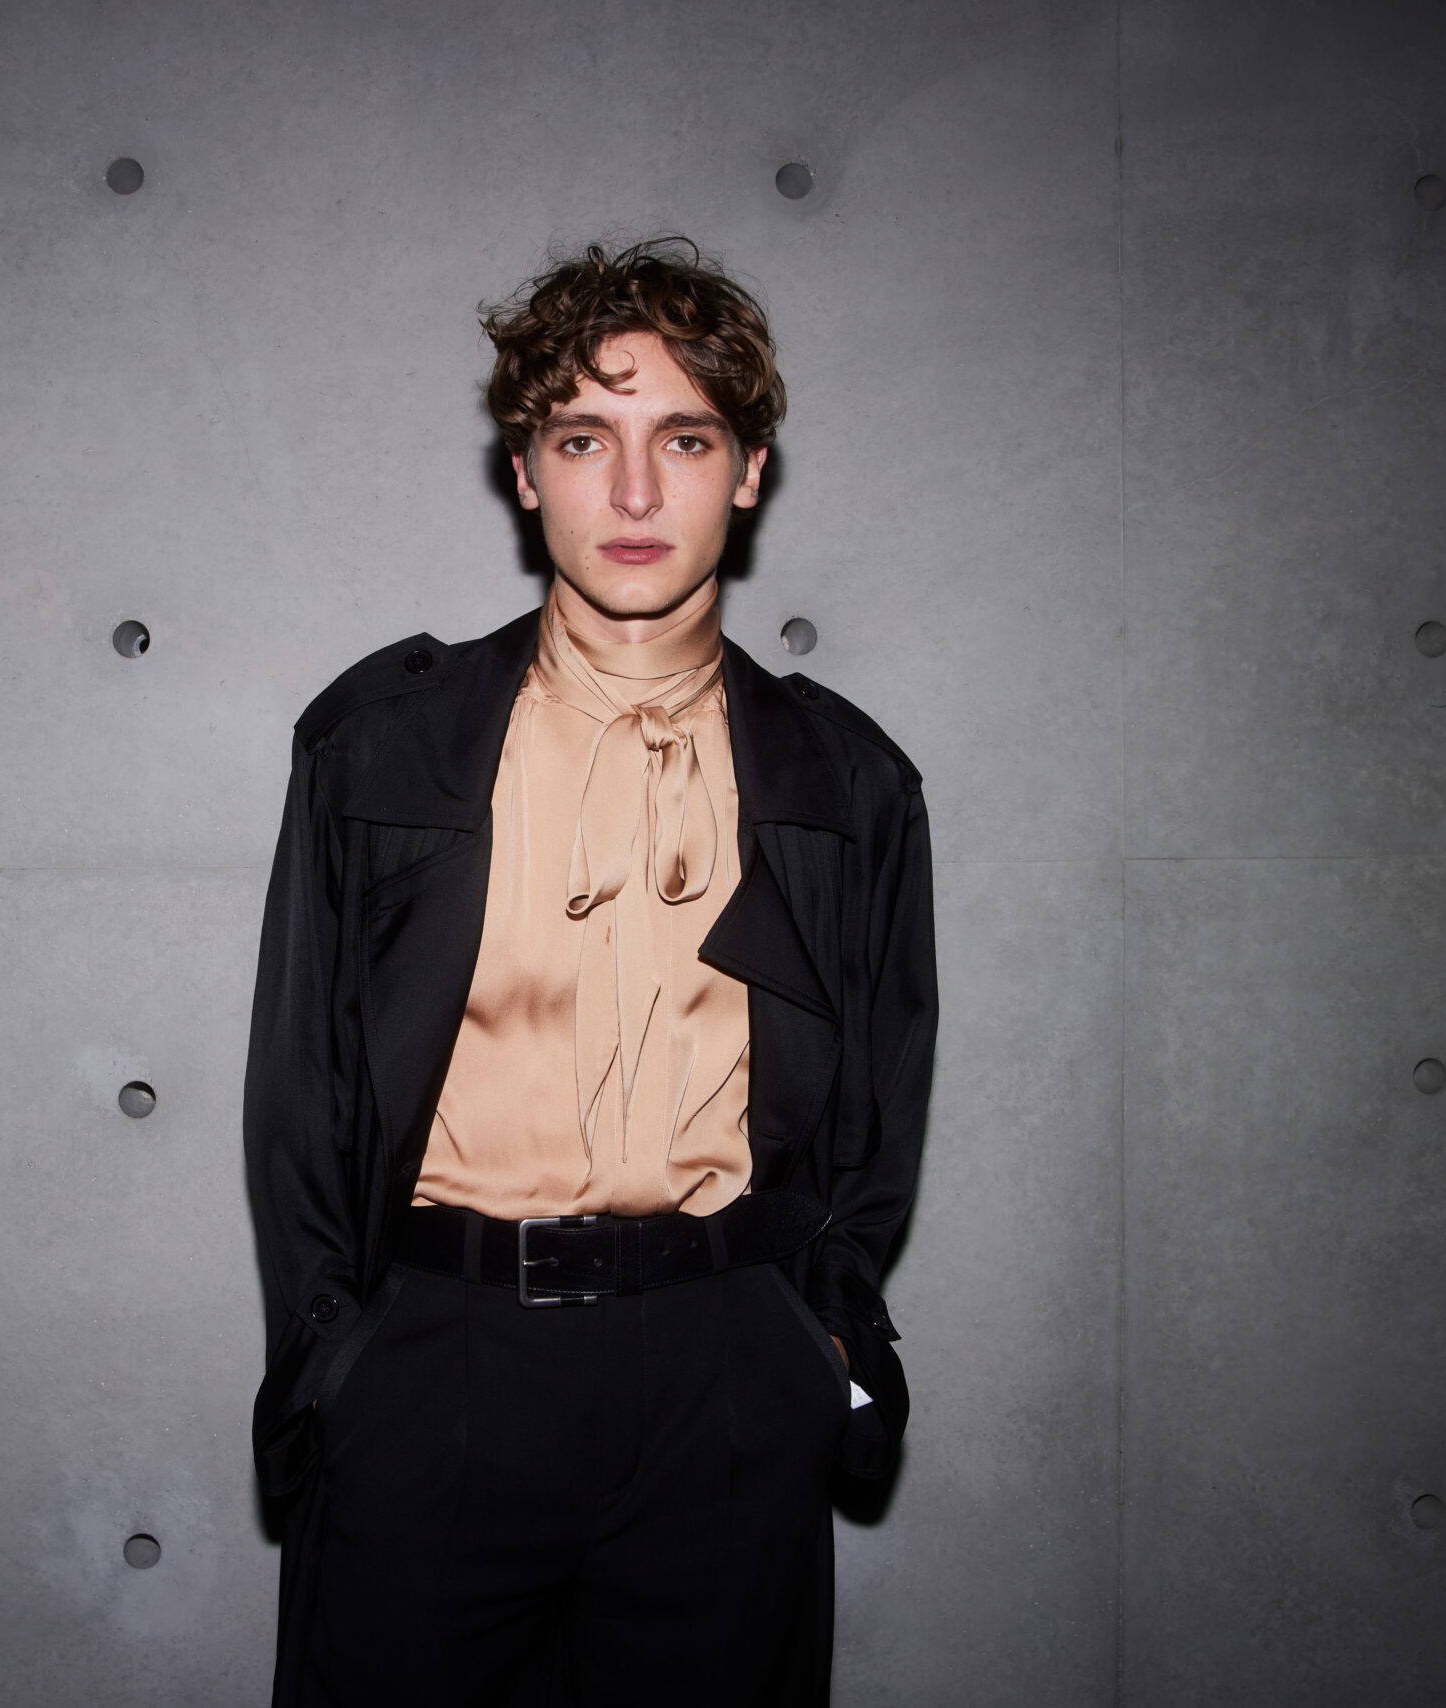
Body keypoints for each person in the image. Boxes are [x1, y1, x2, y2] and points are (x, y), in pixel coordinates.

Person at [242, 237, 939, 1708]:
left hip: (725, 1377)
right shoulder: (382, 747)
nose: (632, 494)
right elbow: (303, 1094)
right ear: (523, 471)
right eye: (582, 439)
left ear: (748, 471)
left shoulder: (847, 781)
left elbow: (878, 1111)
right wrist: (338, 1361)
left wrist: (818, 1338)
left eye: (683, 439)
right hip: (438, 1365)